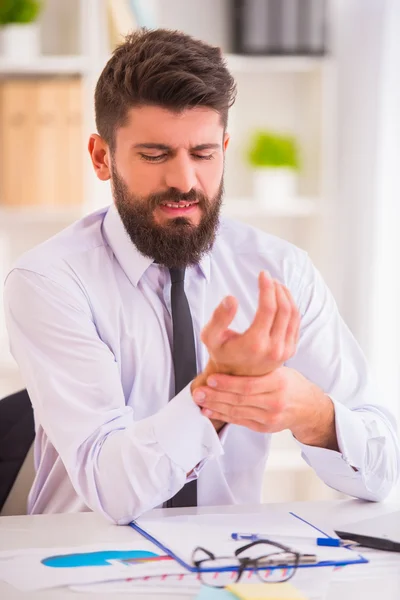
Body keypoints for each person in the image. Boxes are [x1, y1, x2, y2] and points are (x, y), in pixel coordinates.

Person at [3, 29, 399, 524]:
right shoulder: (49, 280)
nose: (185, 181)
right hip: (82, 563)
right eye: (155, 155)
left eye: (204, 154)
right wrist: (222, 385)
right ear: (102, 158)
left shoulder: (281, 271)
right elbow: (112, 489)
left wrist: (314, 414)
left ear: (225, 148)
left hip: (229, 565)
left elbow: (384, 470)